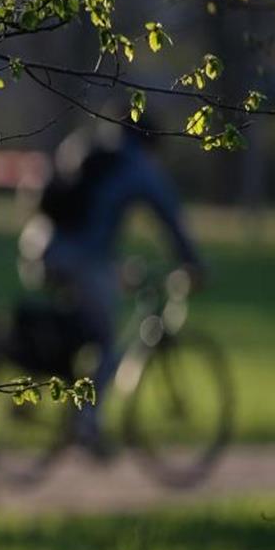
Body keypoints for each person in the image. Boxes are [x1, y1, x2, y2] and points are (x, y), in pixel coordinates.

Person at [16, 119, 203, 452]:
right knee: (105, 337)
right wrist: (192, 262)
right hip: (81, 258)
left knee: (83, 322)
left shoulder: (86, 145)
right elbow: (168, 215)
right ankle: (87, 421)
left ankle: (59, 396)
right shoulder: (136, 165)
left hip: (40, 249)